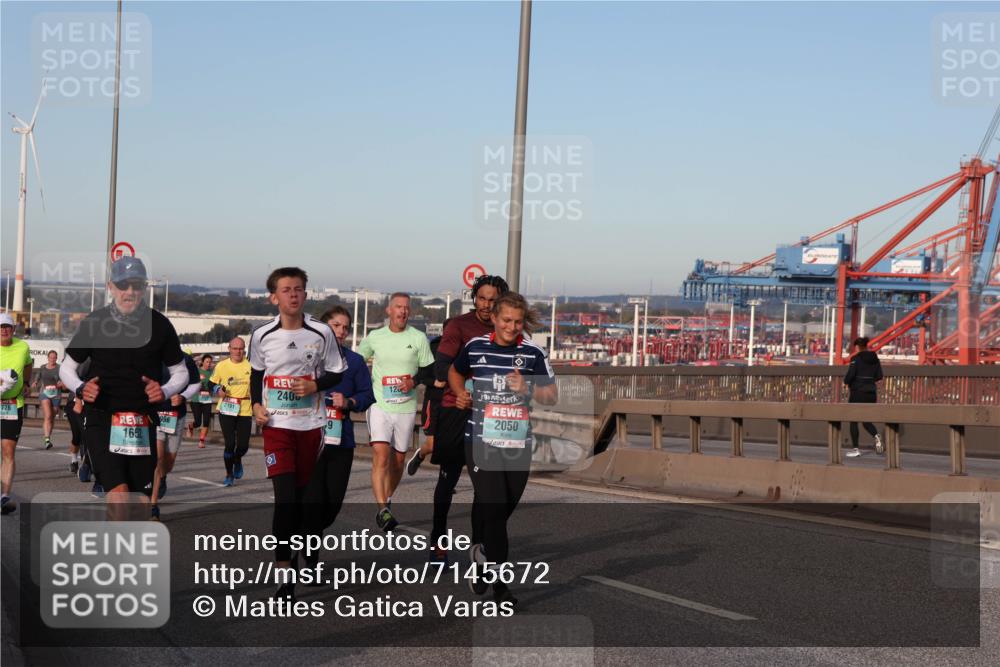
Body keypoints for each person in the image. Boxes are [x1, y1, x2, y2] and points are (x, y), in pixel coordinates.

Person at [449, 292, 558, 607]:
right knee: (495, 509)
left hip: (518, 441)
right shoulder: (476, 347)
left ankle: (482, 552)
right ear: (494, 318)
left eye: (518, 321)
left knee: (505, 507)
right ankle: (501, 588)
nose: (512, 327)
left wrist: (529, 388)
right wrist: (460, 394)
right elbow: (456, 372)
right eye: (506, 320)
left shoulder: (533, 353)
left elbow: (552, 395)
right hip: (480, 440)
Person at [59, 257, 190, 512]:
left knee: (139, 504)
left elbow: (181, 372)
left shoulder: (160, 325)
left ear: (144, 288)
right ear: (111, 286)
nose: (130, 291)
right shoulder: (95, 322)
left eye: (136, 285)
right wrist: (80, 388)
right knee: (119, 494)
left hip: (143, 421)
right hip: (102, 418)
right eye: (123, 285)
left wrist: (164, 390)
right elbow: (67, 367)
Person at [248, 267, 345, 601]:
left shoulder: (321, 333)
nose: (293, 295)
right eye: (286, 289)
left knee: (305, 503)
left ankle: (306, 551)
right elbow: (256, 376)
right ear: (274, 297)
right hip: (276, 427)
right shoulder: (261, 335)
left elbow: (336, 372)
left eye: (299, 289)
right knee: (285, 499)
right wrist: (255, 406)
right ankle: (284, 575)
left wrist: (314, 385)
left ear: (305, 294)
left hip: (311, 426)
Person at [409, 275, 509, 563]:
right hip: (456, 408)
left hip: (490, 413)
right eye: (482, 298)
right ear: (474, 298)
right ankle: (438, 539)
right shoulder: (459, 326)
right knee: (448, 479)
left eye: (493, 300)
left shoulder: (507, 328)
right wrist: (462, 388)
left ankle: (479, 546)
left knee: (485, 484)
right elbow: (442, 364)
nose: (487, 305)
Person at [301, 306, 375, 573]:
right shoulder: (306, 357)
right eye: (336, 325)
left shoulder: (354, 362)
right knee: (314, 502)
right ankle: (310, 562)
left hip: (340, 441)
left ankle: (304, 532)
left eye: (346, 327)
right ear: (324, 327)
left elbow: (368, 395)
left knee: (331, 506)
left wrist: (351, 401)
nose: (342, 331)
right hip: (309, 438)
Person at [356, 292, 434, 531]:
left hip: (406, 407)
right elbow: (358, 362)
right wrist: (361, 391)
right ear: (389, 311)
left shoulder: (418, 338)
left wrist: (413, 381)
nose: (403, 311)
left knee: (398, 459)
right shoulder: (375, 337)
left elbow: (429, 372)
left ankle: (387, 497)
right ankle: (383, 510)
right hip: (379, 405)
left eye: (407, 308)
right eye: (398, 307)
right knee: (381, 454)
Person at [149, 353, 201, 519]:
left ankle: (163, 477)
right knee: (157, 459)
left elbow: (196, 383)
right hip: (154, 414)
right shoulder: (149, 357)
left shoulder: (185, 359)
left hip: (176, 416)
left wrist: (183, 396)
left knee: (169, 461)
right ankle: (153, 506)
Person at [1, 313, 32, 515]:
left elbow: (28, 364)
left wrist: (27, 383)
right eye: (1, 327)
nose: (4, 330)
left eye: (8, 327)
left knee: (8, 451)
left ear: (13, 329)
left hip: (13, 404)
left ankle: (4, 496)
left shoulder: (22, 347)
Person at [211, 338, 253, 486]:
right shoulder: (221, 366)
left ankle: (237, 458)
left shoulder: (251, 365)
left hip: (245, 409)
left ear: (244, 350)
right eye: (235, 348)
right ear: (229, 349)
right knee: (230, 444)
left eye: (240, 348)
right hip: (227, 407)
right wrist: (217, 390)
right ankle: (229, 474)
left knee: (243, 446)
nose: (238, 351)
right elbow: (211, 383)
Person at [844, 336, 884, 458]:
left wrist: (846, 382)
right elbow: (879, 376)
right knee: (866, 420)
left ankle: (856, 449)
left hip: (858, 392)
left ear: (857, 347)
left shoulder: (856, 359)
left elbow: (850, 375)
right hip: (871, 393)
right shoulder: (875, 359)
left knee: (853, 421)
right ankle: (876, 436)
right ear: (867, 345)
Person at [32, 350, 64, 451]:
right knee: (48, 415)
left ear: (56, 358)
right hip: (44, 393)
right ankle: (46, 440)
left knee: (52, 418)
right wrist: (35, 382)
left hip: (56, 394)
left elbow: (64, 379)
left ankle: (48, 438)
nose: (52, 359)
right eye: (51, 357)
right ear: (48, 358)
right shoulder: (43, 367)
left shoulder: (60, 368)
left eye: (54, 357)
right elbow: (38, 376)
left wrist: (61, 383)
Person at [189, 354, 215, 447]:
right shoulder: (197, 371)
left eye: (210, 362)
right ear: (202, 362)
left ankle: (201, 441)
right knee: (198, 422)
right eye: (207, 361)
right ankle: (191, 426)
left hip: (207, 400)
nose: (209, 364)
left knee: (206, 421)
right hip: (196, 399)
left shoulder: (212, 373)